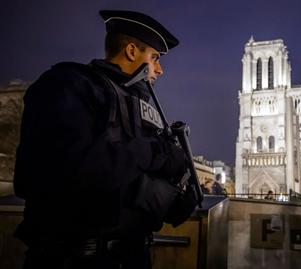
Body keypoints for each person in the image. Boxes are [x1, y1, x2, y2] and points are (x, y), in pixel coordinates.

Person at [13, 10, 197, 269]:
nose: (160, 69)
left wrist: (172, 200)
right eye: (154, 58)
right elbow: (49, 174)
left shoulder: (136, 104)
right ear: (132, 51)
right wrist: (154, 153)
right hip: (76, 259)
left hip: (132, 256)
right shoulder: (68, 85)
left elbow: (129, 175)